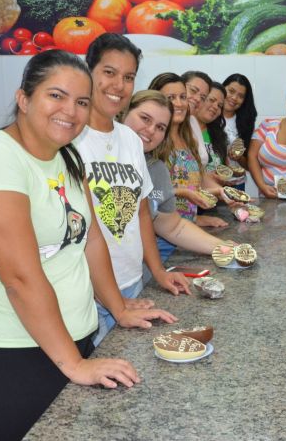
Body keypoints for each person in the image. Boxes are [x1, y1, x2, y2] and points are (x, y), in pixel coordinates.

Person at [0, 50, 176, 440]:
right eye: (55, 96)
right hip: (19, 350)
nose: (71, 111)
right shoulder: (1, 156)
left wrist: (119, 308)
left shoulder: (67, 157)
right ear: (24, 98)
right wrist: (75, 364)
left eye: (80, 101)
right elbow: (20, 278)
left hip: (75, 339)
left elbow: (91, 238)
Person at [75, 34, 189, 345]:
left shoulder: (128, 139)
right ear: (89, 71)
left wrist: (159, 272)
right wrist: (113, 302)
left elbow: (141, 214)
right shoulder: (71, 138)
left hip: (132, 283)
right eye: (109, 72)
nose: (119, 85)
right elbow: (87, 231)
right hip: (90, 293)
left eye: (128, 77)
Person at [119, 90, 229, 261]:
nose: (150, 130)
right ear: (125, 112)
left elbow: (173, 227)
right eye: (145, 118)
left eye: (160, 127)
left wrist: (221, 246)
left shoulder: (156, 169)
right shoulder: (94, 154)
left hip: (136, 276)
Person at [148, 72, 223, 227]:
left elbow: (195, 180)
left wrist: (196, 219)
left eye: (183, 97)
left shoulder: (188, 135)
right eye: (171, 98)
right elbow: (148, 194)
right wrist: (182, 192)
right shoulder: (150, 138)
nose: (180, 103)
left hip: (186, 228)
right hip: (159, 230)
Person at [223, 73, 258, 191]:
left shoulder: (245, 122)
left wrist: (238, 157)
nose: (234, 98)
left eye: (240, 96)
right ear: (222, 89)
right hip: (210, 182)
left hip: (236, 184)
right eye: (231, 91)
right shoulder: (209, 115)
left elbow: (249, 165)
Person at [182, 70, 212, 167]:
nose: (198, 99)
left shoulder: (193, 122)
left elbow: (200, 168)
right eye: (193, 91)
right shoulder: (163, 122)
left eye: (203, 97)